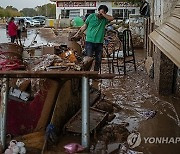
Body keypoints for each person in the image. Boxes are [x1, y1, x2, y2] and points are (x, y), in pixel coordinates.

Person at [73, 5, 114, 71]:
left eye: (104, 13)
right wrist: (77, 34)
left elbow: (112, 18)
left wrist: (103, 14)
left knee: (98, 60)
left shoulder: (105, 19)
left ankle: (95, 74)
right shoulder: (91, 16)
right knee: (88, 59)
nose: (101, 14)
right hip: (89, 41)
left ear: (105, 13)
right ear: (98, 11)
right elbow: (84, 26)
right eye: (100, 12)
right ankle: (86, 75)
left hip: (99, 42)